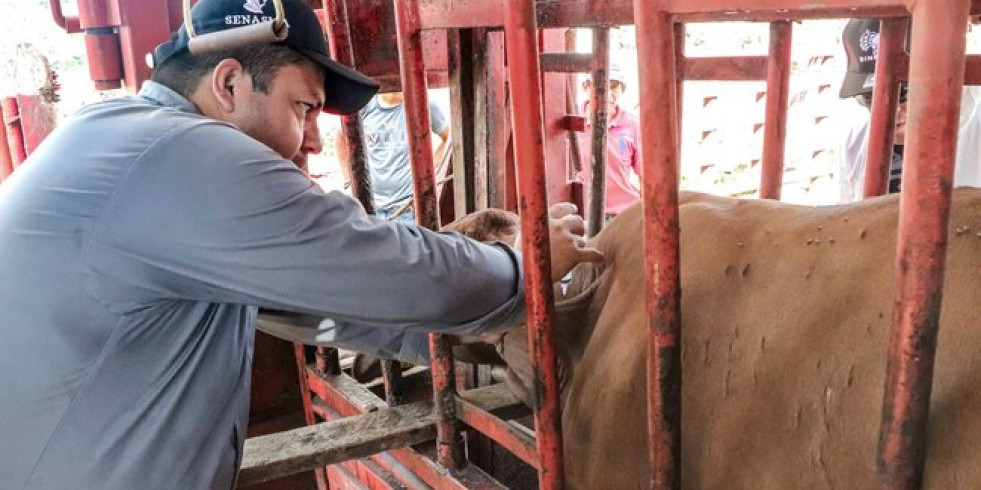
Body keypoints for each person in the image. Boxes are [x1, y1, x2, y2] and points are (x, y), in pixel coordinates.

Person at [0, 0, 602, 488]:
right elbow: (372, 267)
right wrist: (524, 268)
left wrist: (476, 329)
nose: (313, 139)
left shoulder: (117, 136)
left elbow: (310, 309)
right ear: (230, 83)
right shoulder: (183, 153)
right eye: (304, 107)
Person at [837, 18, 981, 202]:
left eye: (904, 91)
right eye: (869, 97)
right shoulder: (854, 144)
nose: (894, 108)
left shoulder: (976, 121)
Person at [336, 91, 449, 223]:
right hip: (370, 207)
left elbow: (447, 138)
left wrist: (429, 168)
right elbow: (341, 138)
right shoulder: (365, 105)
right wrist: (348, 180)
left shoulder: (423, 103)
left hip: (407, 209)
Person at [580, 65, 642, 219]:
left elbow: (646, 174)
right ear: (586, 88)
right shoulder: (570, 123)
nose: (607, 92)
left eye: (614, 87)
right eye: (600, 85)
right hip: (580, 214)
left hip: (621, 215)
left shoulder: (633, 125)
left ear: (622, 91)